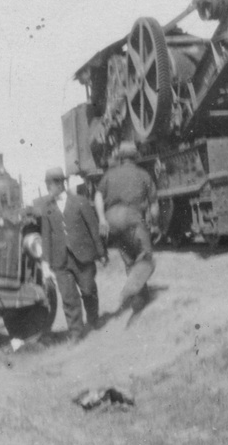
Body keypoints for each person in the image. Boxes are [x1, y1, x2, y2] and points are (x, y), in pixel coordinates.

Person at [41, 167, 107, 342]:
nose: (48, 188)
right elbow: (46, 237)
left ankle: (93, 320)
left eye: (50, 185)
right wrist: (45, 264)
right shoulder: (47, 208)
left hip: (83, 256)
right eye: (47, 185)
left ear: (60, 184)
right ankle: (76, 333)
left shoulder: (80, 202)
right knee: (69, 298)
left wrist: (101, 253)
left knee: (88, 290)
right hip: (60, 261)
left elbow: (93, 228)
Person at [94, 141, 159, 314]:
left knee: (130, 258)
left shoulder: (109, 174)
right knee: (146, 256)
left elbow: (98, 195)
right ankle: (130, 292)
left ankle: (140, 297)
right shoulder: (143, 174)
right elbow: (154, 205)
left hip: (111, 220)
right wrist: (155, 224)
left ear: (121, 158)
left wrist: (101, 219)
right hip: (131, 218)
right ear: (136, 157)